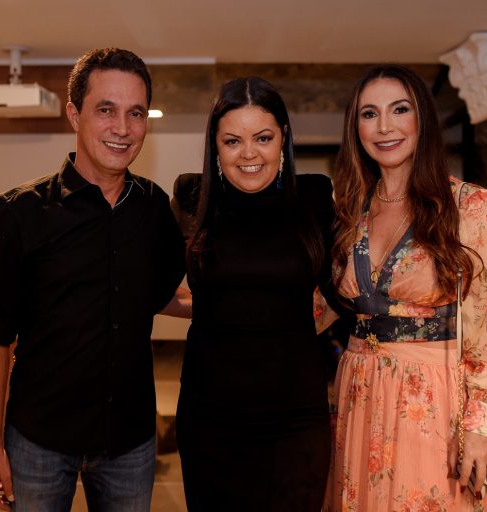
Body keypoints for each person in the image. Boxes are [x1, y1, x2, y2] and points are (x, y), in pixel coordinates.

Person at [0, 47, 185, 511]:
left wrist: (245, 304)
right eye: (106, 110)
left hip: (130, 440)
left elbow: (162, 294)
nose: (122, 128)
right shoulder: (19, 214)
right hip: (39, 440)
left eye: (135, 113)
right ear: (74, 114)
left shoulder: (154, 209)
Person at [323, 65, 487, 511]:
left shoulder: (474, 207)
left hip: (434, 401)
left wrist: (480, 426)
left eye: (400, 110)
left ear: (424, 120)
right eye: (369, 114)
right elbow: (321, 306)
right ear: (355, 128)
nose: (385, 126)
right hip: (359, 392)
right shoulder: (350, 211)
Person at [170, 77, 336, 512]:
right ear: (215, 146)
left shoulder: (315, 197)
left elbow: (346, 292)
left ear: (283, 138)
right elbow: (149, 287)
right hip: (210, 416)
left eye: (263, 138)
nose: (249, 154)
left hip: (296, 415)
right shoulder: (190, 196)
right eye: (232, 141)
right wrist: (214, 310)